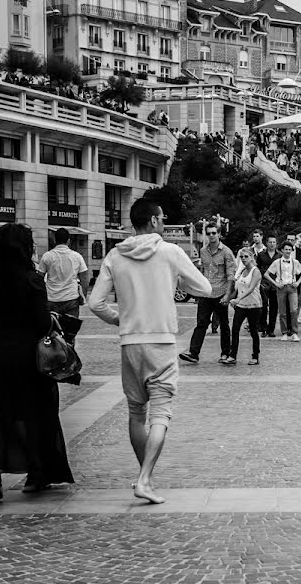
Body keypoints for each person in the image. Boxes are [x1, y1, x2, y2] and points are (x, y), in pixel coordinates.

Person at [89, 198, 213, 504]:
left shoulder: (115, 255)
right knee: (161, 412)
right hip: (161, 341)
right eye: (162, 218)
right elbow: (205, 288)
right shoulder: (169, 252)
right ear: (155, 222)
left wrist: (119, 318)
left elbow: (95, 303)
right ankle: (144, 479)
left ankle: (146, 475)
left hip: (130, 341)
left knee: (136, 411)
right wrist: (176, 280)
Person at [0, 223, 74, 501]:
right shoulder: (31, 279)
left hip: (3, 353)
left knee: (5, 412)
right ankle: (37, 473)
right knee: (37, 413)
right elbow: (41, 321)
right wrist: (52, 319)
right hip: (30, 357)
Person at [180, 222, 236, 364]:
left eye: (214, 233)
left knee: (224, 324)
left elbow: (231, 276)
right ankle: (193, 353)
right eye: (209, 233)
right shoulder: (203, 251)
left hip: (221, 293)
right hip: (206, 293)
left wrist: (228, 295)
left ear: (219, 234)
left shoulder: (226, 252)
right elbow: (202, 272)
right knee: (201, 323)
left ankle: (225, 353)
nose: (211, 236)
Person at [38, 228, 88, 344]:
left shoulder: (47, 256)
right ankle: (69, 358)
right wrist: (83, 296)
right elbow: (84, 278)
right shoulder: (77, 256)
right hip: (71, 299)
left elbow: (39, 278)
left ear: (55, 240)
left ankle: (53, 356)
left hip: (51, 299)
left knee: (51, 333)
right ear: (69, 241)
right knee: (69, 335)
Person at [226, 247, 263, 365]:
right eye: (241, 257)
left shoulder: (255, 271)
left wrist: (238, 299)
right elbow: (238, 288)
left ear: (252, 257)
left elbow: (251, 288)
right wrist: (230, 299)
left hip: (254, 305)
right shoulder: (242, 271)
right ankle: (232, 355)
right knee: (235, 329)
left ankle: (255, 356)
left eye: (246, 256)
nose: (243, 259)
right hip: (241, 305)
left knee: (253, 331)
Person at [265, 240, 301, 342]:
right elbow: (266, 274)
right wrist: (276, 283)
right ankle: (284, 333)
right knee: (282, 312)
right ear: (282, 250)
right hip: (281, 288)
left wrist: (298, 282)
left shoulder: (295, 262)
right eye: (286, 249)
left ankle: (294, 332)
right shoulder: (277, 262)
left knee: (294, 310)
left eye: (289, 249)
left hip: (292, 288)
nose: (288, 251)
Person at [256, 236, 280, 337]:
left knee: (274, 307)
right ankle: (264, 328)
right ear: (267, 243)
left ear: (276, 244)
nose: (272, 244)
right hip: (264, 283)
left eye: (274, 242)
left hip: (276, 283)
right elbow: (257, 268)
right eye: (270, 242)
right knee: (264, 306)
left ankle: (271, 329)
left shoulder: (280, 255)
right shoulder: (261, 255)